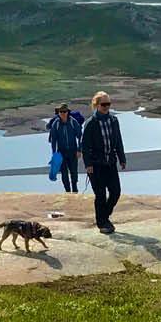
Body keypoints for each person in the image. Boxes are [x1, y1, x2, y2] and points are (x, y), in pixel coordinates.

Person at [81, 90, 126, 233]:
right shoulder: (90, 124)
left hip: (110, 162)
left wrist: (122, 158)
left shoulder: (113, 120)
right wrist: (88, 165)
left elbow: (118, 140)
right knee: (100, 195)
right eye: (103, 104)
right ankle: (102, 223)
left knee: (115, 192)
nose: (106, 107)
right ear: (96, 105)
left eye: (108, 104)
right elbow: (85, 146)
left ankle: (104, 217)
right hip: (96, 164)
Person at [46, 103, 83, 194]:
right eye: (61, 112)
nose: (63, 113)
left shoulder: (73, 122)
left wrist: (79, 150)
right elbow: (53, 140)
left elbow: (80, 136)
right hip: (61, 152)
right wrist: (54, 153)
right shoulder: (56, 124)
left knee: (74, 172)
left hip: (73, 151)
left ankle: (75, 189)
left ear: (67, 112)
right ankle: (67, 191)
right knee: (64, 173)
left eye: (64, 111)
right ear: (58, 113)